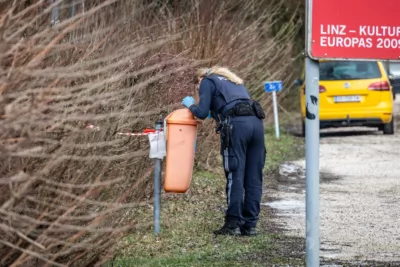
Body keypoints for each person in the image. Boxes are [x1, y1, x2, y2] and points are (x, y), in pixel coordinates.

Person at [181, 66, 266, 236]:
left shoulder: (206, 81)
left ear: (199, 80)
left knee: (235, 173)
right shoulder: (234, 81)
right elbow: (219, 108)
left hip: (237, 127)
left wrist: (191, 105)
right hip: (256, 125)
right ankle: (250, 226)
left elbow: (202, 112)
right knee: (254, 176)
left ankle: (233, 224)